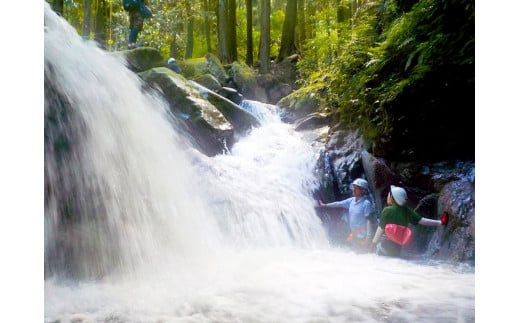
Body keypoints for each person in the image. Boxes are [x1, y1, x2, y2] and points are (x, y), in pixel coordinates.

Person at [370, 185, 448, 258]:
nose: (387, 196)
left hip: (385, 244)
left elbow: (380, 228)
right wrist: (440, 222)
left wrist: (373, 243)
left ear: (393, 198)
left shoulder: (387, 210)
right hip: (397, 247)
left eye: (389, 195)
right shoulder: (407, 211)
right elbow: (422, 221)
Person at [318, 178, 373, 248]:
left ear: (363, 190)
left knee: (362, 253)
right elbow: (339, 204)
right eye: (354, 188)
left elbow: (369, 221)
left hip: (363, 236)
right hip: (354, 234)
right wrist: (325, 205)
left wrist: (368, 237)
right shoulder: (351, 201)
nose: (354, 190)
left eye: (356, 188)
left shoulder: (366, 203)